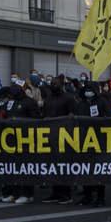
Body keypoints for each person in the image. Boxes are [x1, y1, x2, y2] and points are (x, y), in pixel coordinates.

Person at [2, 81, 41, 203]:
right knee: (13, 167)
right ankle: (14, 193)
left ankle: (27, 194)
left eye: (17, 88)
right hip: (11, 139)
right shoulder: (10, 102)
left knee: (25, 166)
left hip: (25, 138)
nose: (14, 90)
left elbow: (36, 120)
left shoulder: (30, 102)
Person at [41, 76, 77, 204]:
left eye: (55, 83)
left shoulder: (69, 98)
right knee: (52, 165)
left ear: (61, 85)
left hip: (64, 136)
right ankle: (55, 192)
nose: (53, 85)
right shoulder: (48, 98)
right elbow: (44, 114)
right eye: (52, 83)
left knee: (63, 165)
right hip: (51, 136)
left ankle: (66, 194)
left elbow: (73, 114)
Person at [75, 82, 111, 206]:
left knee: (98, 169)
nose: (88, 92)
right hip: (84, 140)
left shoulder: (102, 102)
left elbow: (109, 116)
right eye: (86, 89)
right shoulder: (82, 103)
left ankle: (101, 198)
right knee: (85, 169)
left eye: (90, 89)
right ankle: (87, 196)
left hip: (98, 139)